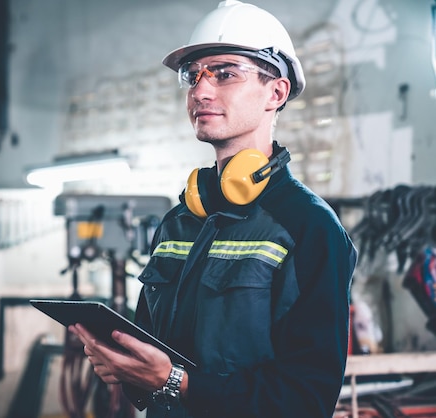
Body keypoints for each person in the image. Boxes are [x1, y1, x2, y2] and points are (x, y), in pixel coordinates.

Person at [69, 1, 358, 417]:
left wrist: (177, 383)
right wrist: (125, 367)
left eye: (225, 74)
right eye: (194, 76)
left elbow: (307, 399)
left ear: (275, 93)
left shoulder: (309, 227)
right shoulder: (178, 222)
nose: (201, 91)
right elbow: (151, 369)